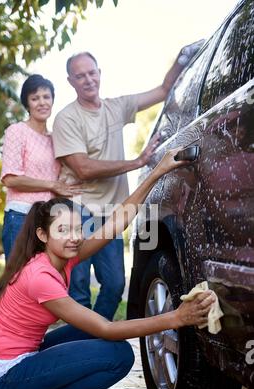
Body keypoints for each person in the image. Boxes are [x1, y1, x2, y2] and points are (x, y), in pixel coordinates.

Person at [0, 146, 215, 389]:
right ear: (42, 235)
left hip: (21, 359)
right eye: (63, 230)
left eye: (77, 228)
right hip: (3, 382)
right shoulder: (40, 277)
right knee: (118, 356)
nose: (74, 237)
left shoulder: (62, 258)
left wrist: (157, 171)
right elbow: (106, 330)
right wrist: (177, 317)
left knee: (92, 333)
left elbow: (117, 222)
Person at [52, 43, 204, 320]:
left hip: (112, 210)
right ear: (70, 81)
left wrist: (182, 59)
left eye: (91, 73)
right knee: (79, 288)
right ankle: (83, 345)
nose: (88, 80)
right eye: (80, 76)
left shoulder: (116, 107)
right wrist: (136, 162)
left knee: (114, 284)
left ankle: (94, 335)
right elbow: (83, 168)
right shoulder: (66, 118)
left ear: (99, 73)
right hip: (78, 210)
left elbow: (162, 90)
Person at [1, 74, 82, 260]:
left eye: (46, 97)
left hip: (50, 218)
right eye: (35, 98)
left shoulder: (55, 138)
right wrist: (52, 185)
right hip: (21, 217)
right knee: (18, 278)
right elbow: (10, 179)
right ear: (27, 103)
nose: (42, 102)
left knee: (45, 277)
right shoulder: (17, 131)